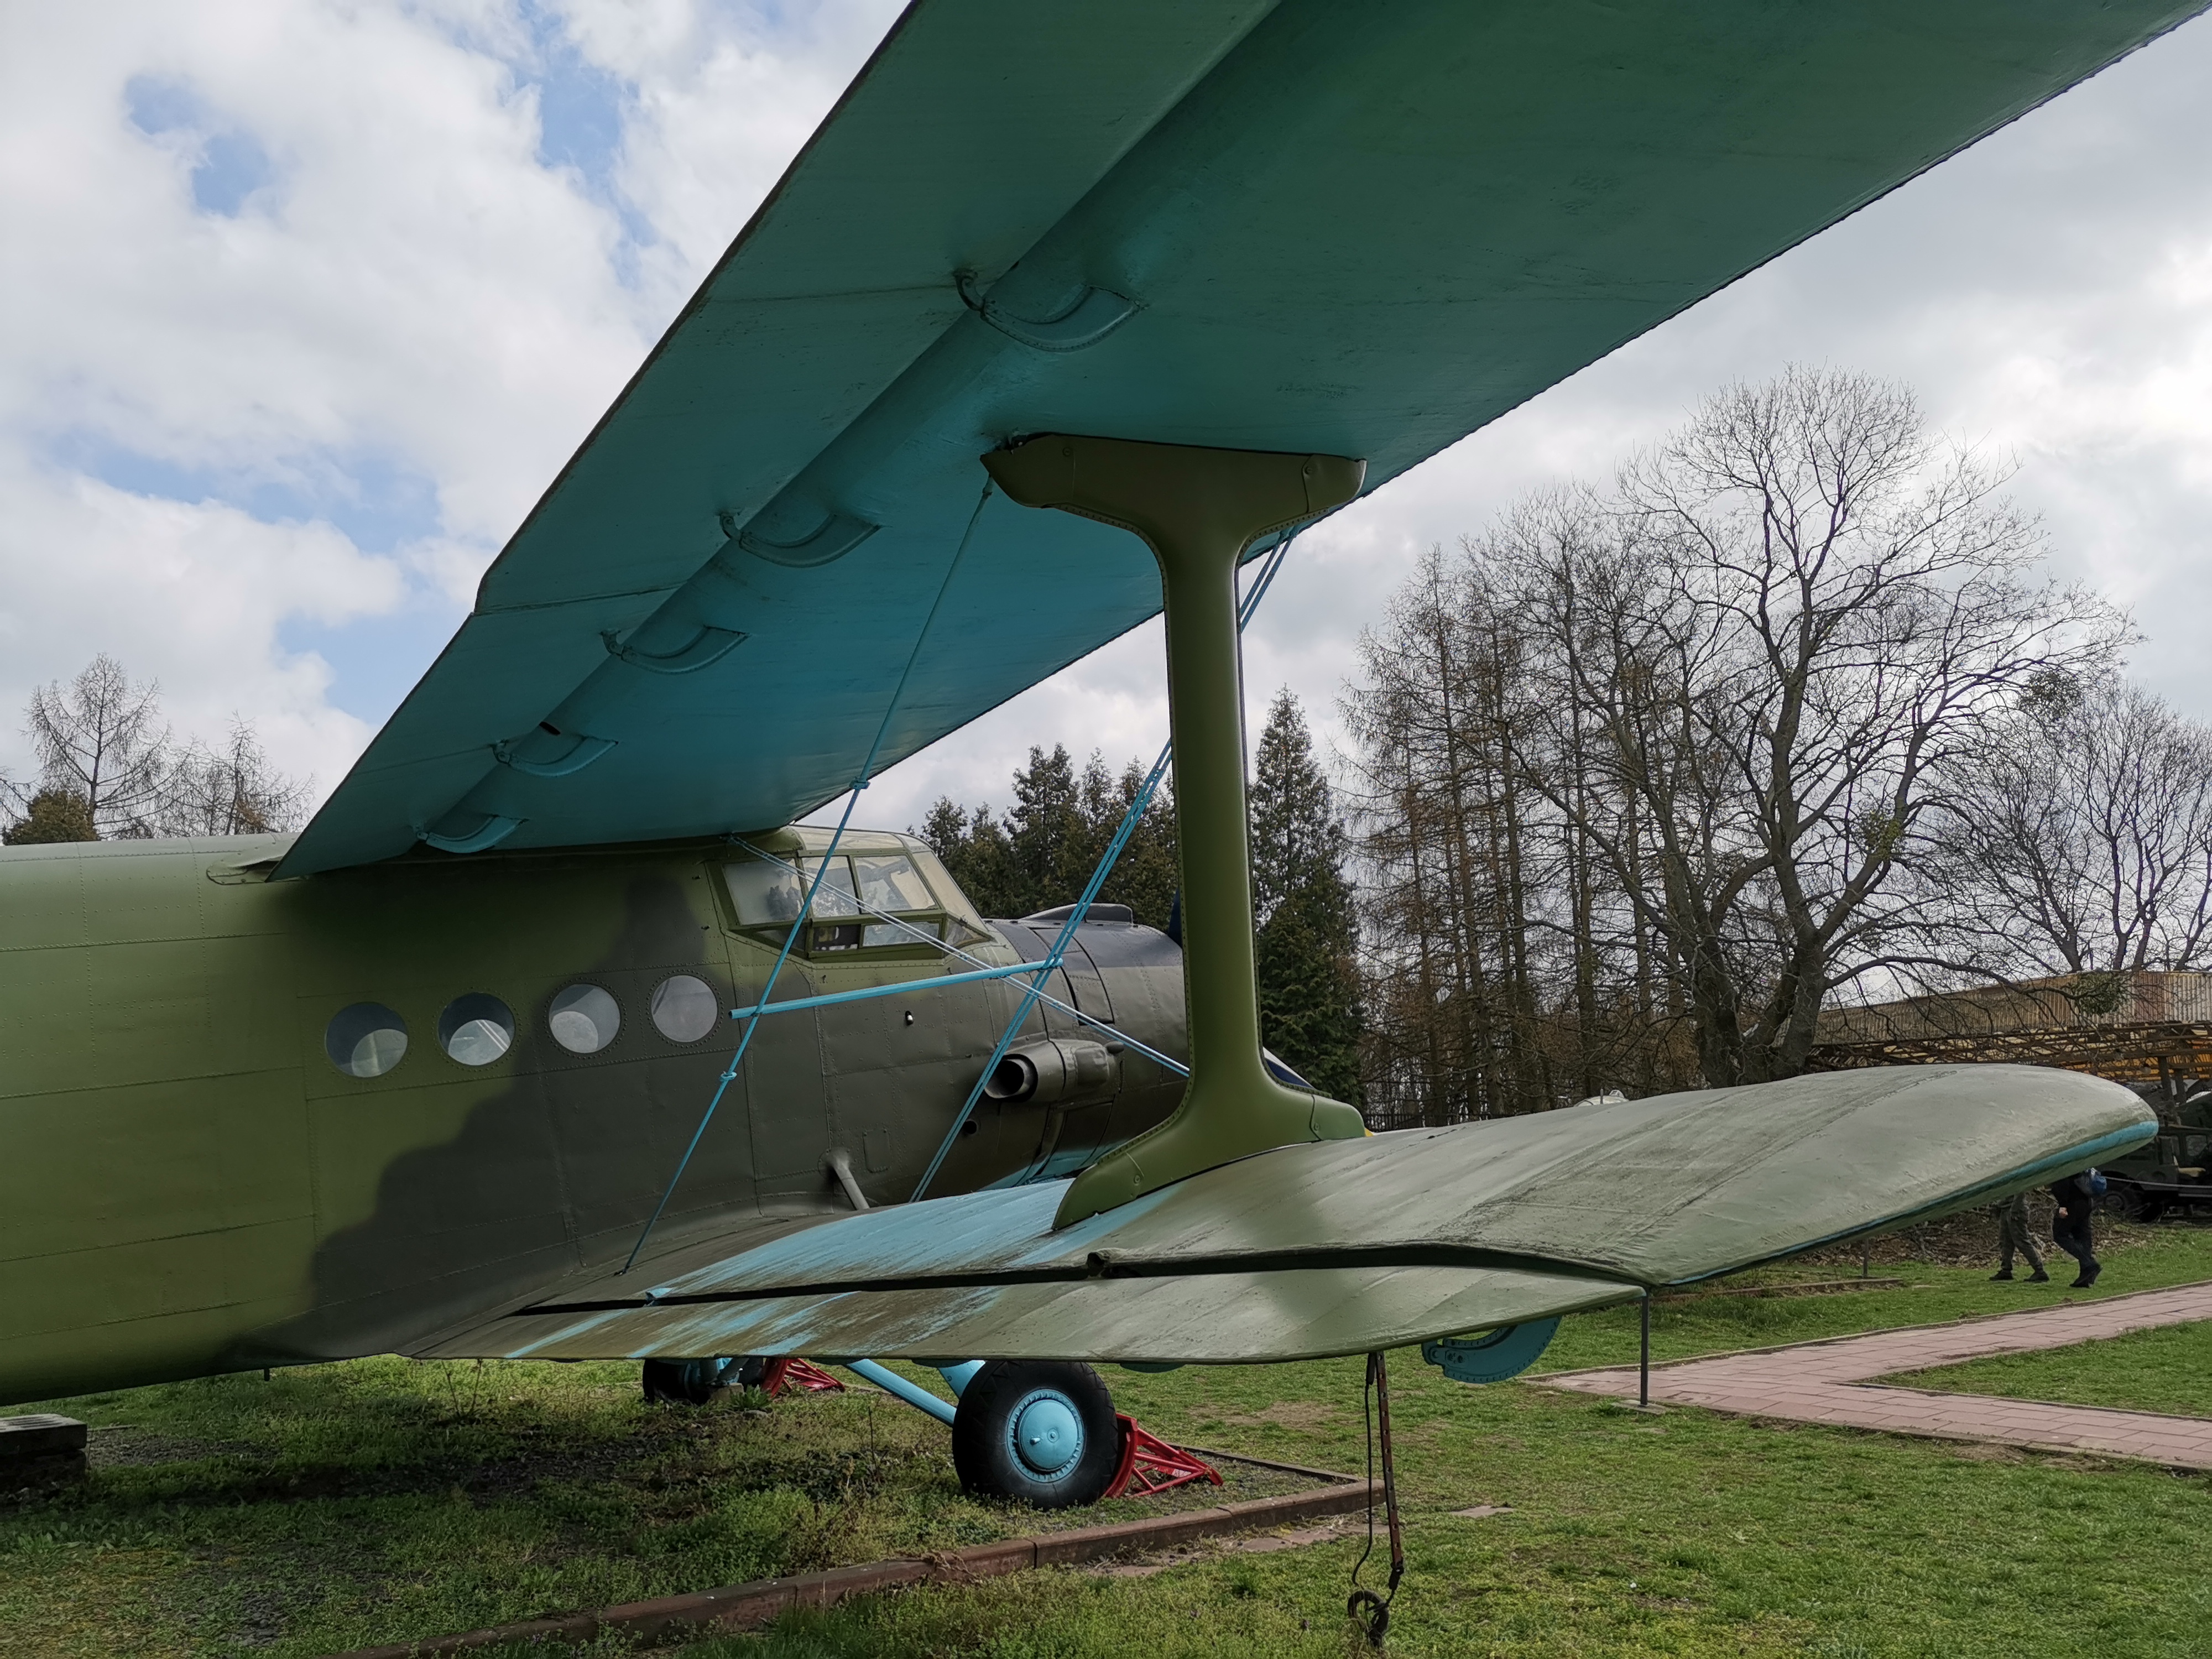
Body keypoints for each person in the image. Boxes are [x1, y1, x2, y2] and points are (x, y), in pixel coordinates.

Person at [2048, 1171, 2101, 1288]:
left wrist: (2063, 1205)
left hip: (2072, 1202)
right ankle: (2085, 1276)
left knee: (2060, 1235)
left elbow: (2062, 1185)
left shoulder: (2063, 1167)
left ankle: (2089, 1264)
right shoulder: (2081, 1165)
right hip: (2087, 1201)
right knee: (2083, 1237)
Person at [1989, 1191, 2048, 1282]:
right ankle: (2006, 1270)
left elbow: (2020, 1192)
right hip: (2004, 1209)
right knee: (2005, 1241)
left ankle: (2040, 1271)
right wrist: (1996, 1206)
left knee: (2021, 1241)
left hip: (2016, 1210)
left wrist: (2015, 1209)